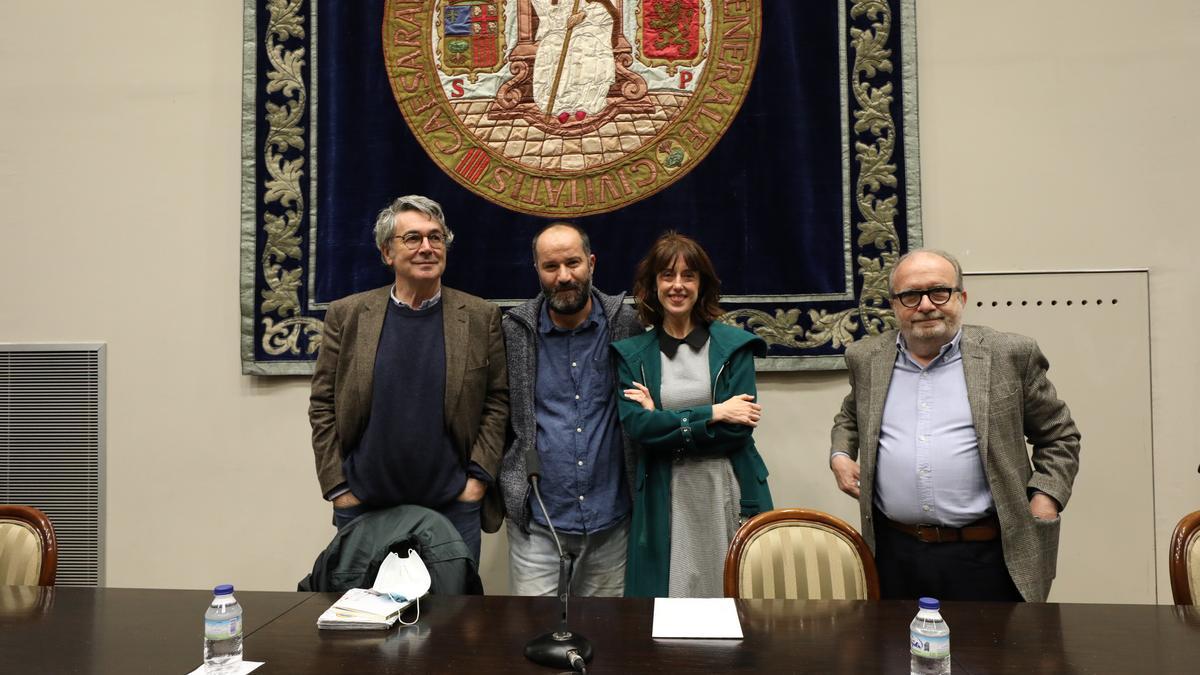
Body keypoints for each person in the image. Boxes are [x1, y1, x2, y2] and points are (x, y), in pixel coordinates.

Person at [828, 249, 1081, 602]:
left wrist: (1045, 498)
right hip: (894, 553)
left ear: (961, 297)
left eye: (939, 292)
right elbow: (851, 415)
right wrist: (841, 454)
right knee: (895, 656)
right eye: (911, 296)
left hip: (989, 554)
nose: (926, 305)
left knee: (997, 657)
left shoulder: (1009, 354)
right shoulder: (867, 358)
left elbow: (1059, 434)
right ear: (894, 305)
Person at [308, 195, 508, 563]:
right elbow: (322, 405)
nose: (427, 248)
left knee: (456, 617)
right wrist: (338, 487)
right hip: (364, 506)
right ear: (387, 253)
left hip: (454, 508)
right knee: (368, 617)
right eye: (413, 238)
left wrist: (477, 480)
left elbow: (497, 402)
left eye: (436, 237)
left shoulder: (481, 316)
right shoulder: (348, 315)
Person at [612, 231, 772, 598]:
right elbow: (639, 427)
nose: (678, 285)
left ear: (703, 284)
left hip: (726, 489)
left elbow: (737, 433)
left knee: (733, 600)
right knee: (671, 602)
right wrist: (714, 411)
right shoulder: (632, 355)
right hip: (666, 492)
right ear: (653, 285)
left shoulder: (736, 347)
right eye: (667, 275)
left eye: (689, 276)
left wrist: (665, 420)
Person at [499, 222, 643, 596]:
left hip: (612, 526)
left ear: (591, 263)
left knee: (607, 637)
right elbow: (494, 414)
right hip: (539, 525)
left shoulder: (626, 324)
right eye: (551, 267)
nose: (564, 276)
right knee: (536, 638)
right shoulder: (513, 331)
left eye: (573, 263)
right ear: (537, 271)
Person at [530, 0, 620, 122]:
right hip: (558, 29)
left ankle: (585, 103)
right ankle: (560, 105)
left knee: (586, 46)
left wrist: (584, 14)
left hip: (588, 26)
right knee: (552, 45)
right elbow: (546, 11)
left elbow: (608, 11)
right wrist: (560, 19)